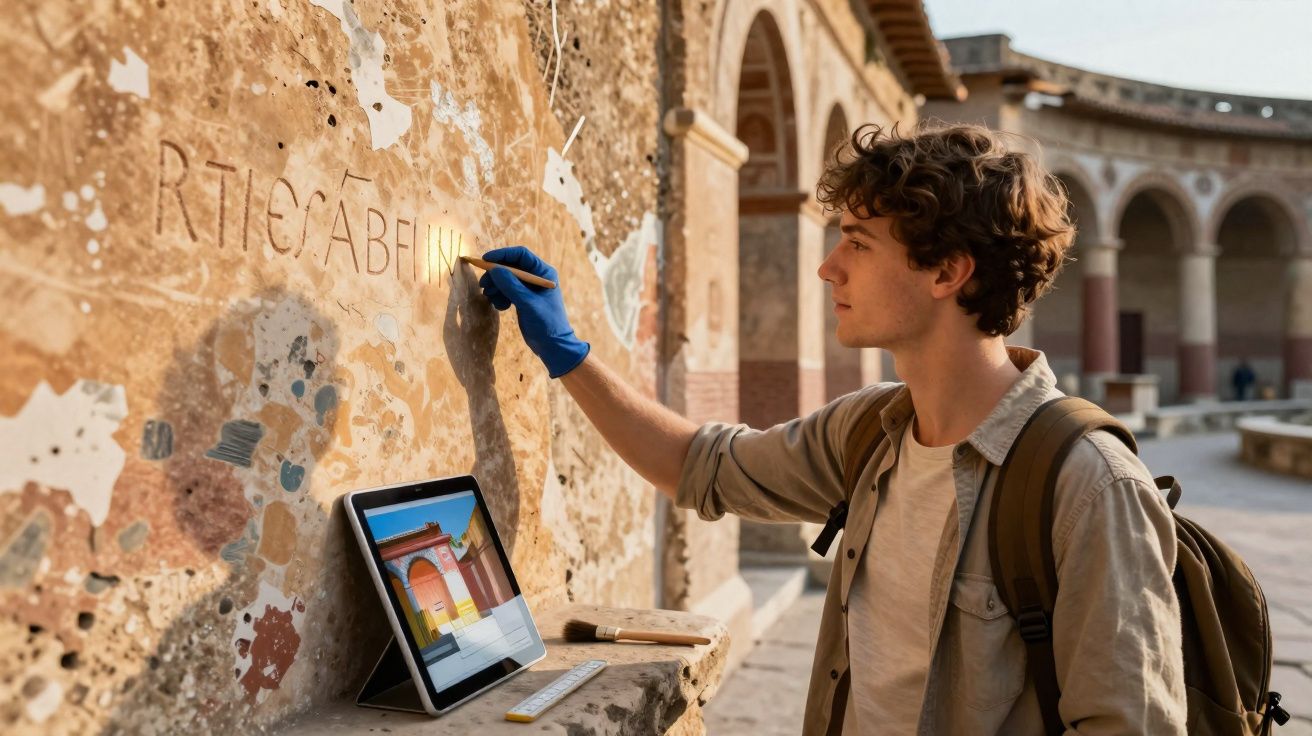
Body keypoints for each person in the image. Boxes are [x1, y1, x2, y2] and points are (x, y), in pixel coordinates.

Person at [475, 122, 1186, 734]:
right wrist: (568, 356)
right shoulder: (872, 430)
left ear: (947, 272)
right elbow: (701, 466)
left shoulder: (1091, 487)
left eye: (858, 242)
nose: (826, 267)